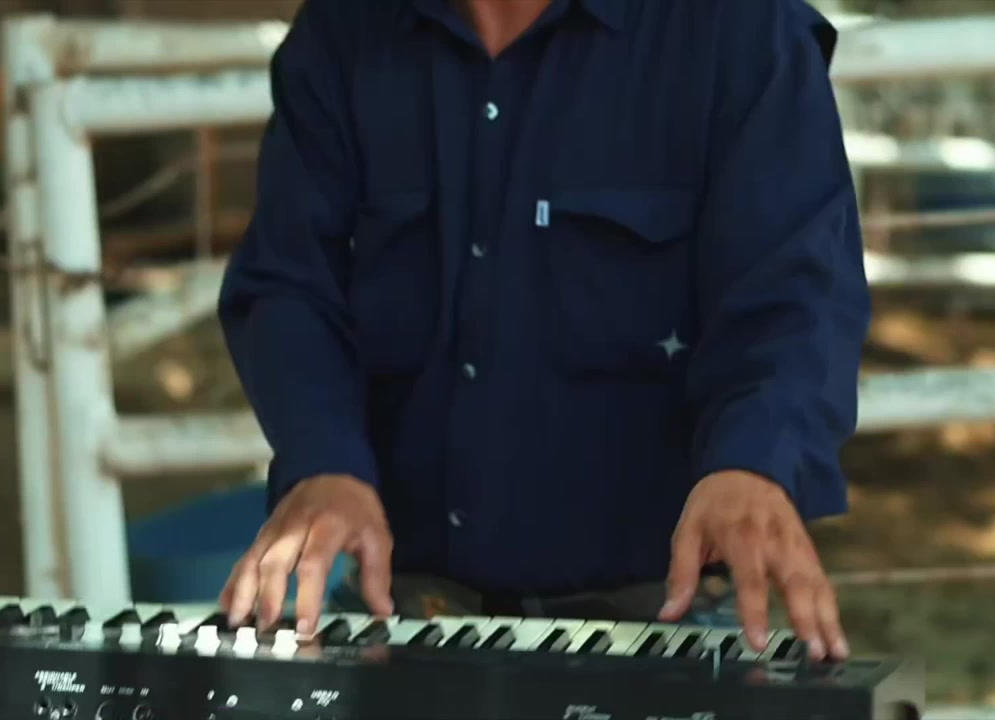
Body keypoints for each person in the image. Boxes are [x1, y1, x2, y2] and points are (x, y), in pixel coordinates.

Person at [218, 0, 870, 664]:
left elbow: (797, 295)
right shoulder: (345, 31)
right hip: (403, 612)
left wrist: (754, 464)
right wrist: (324, 463)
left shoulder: (741, 31)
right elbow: (289, 282)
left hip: (670, 620)